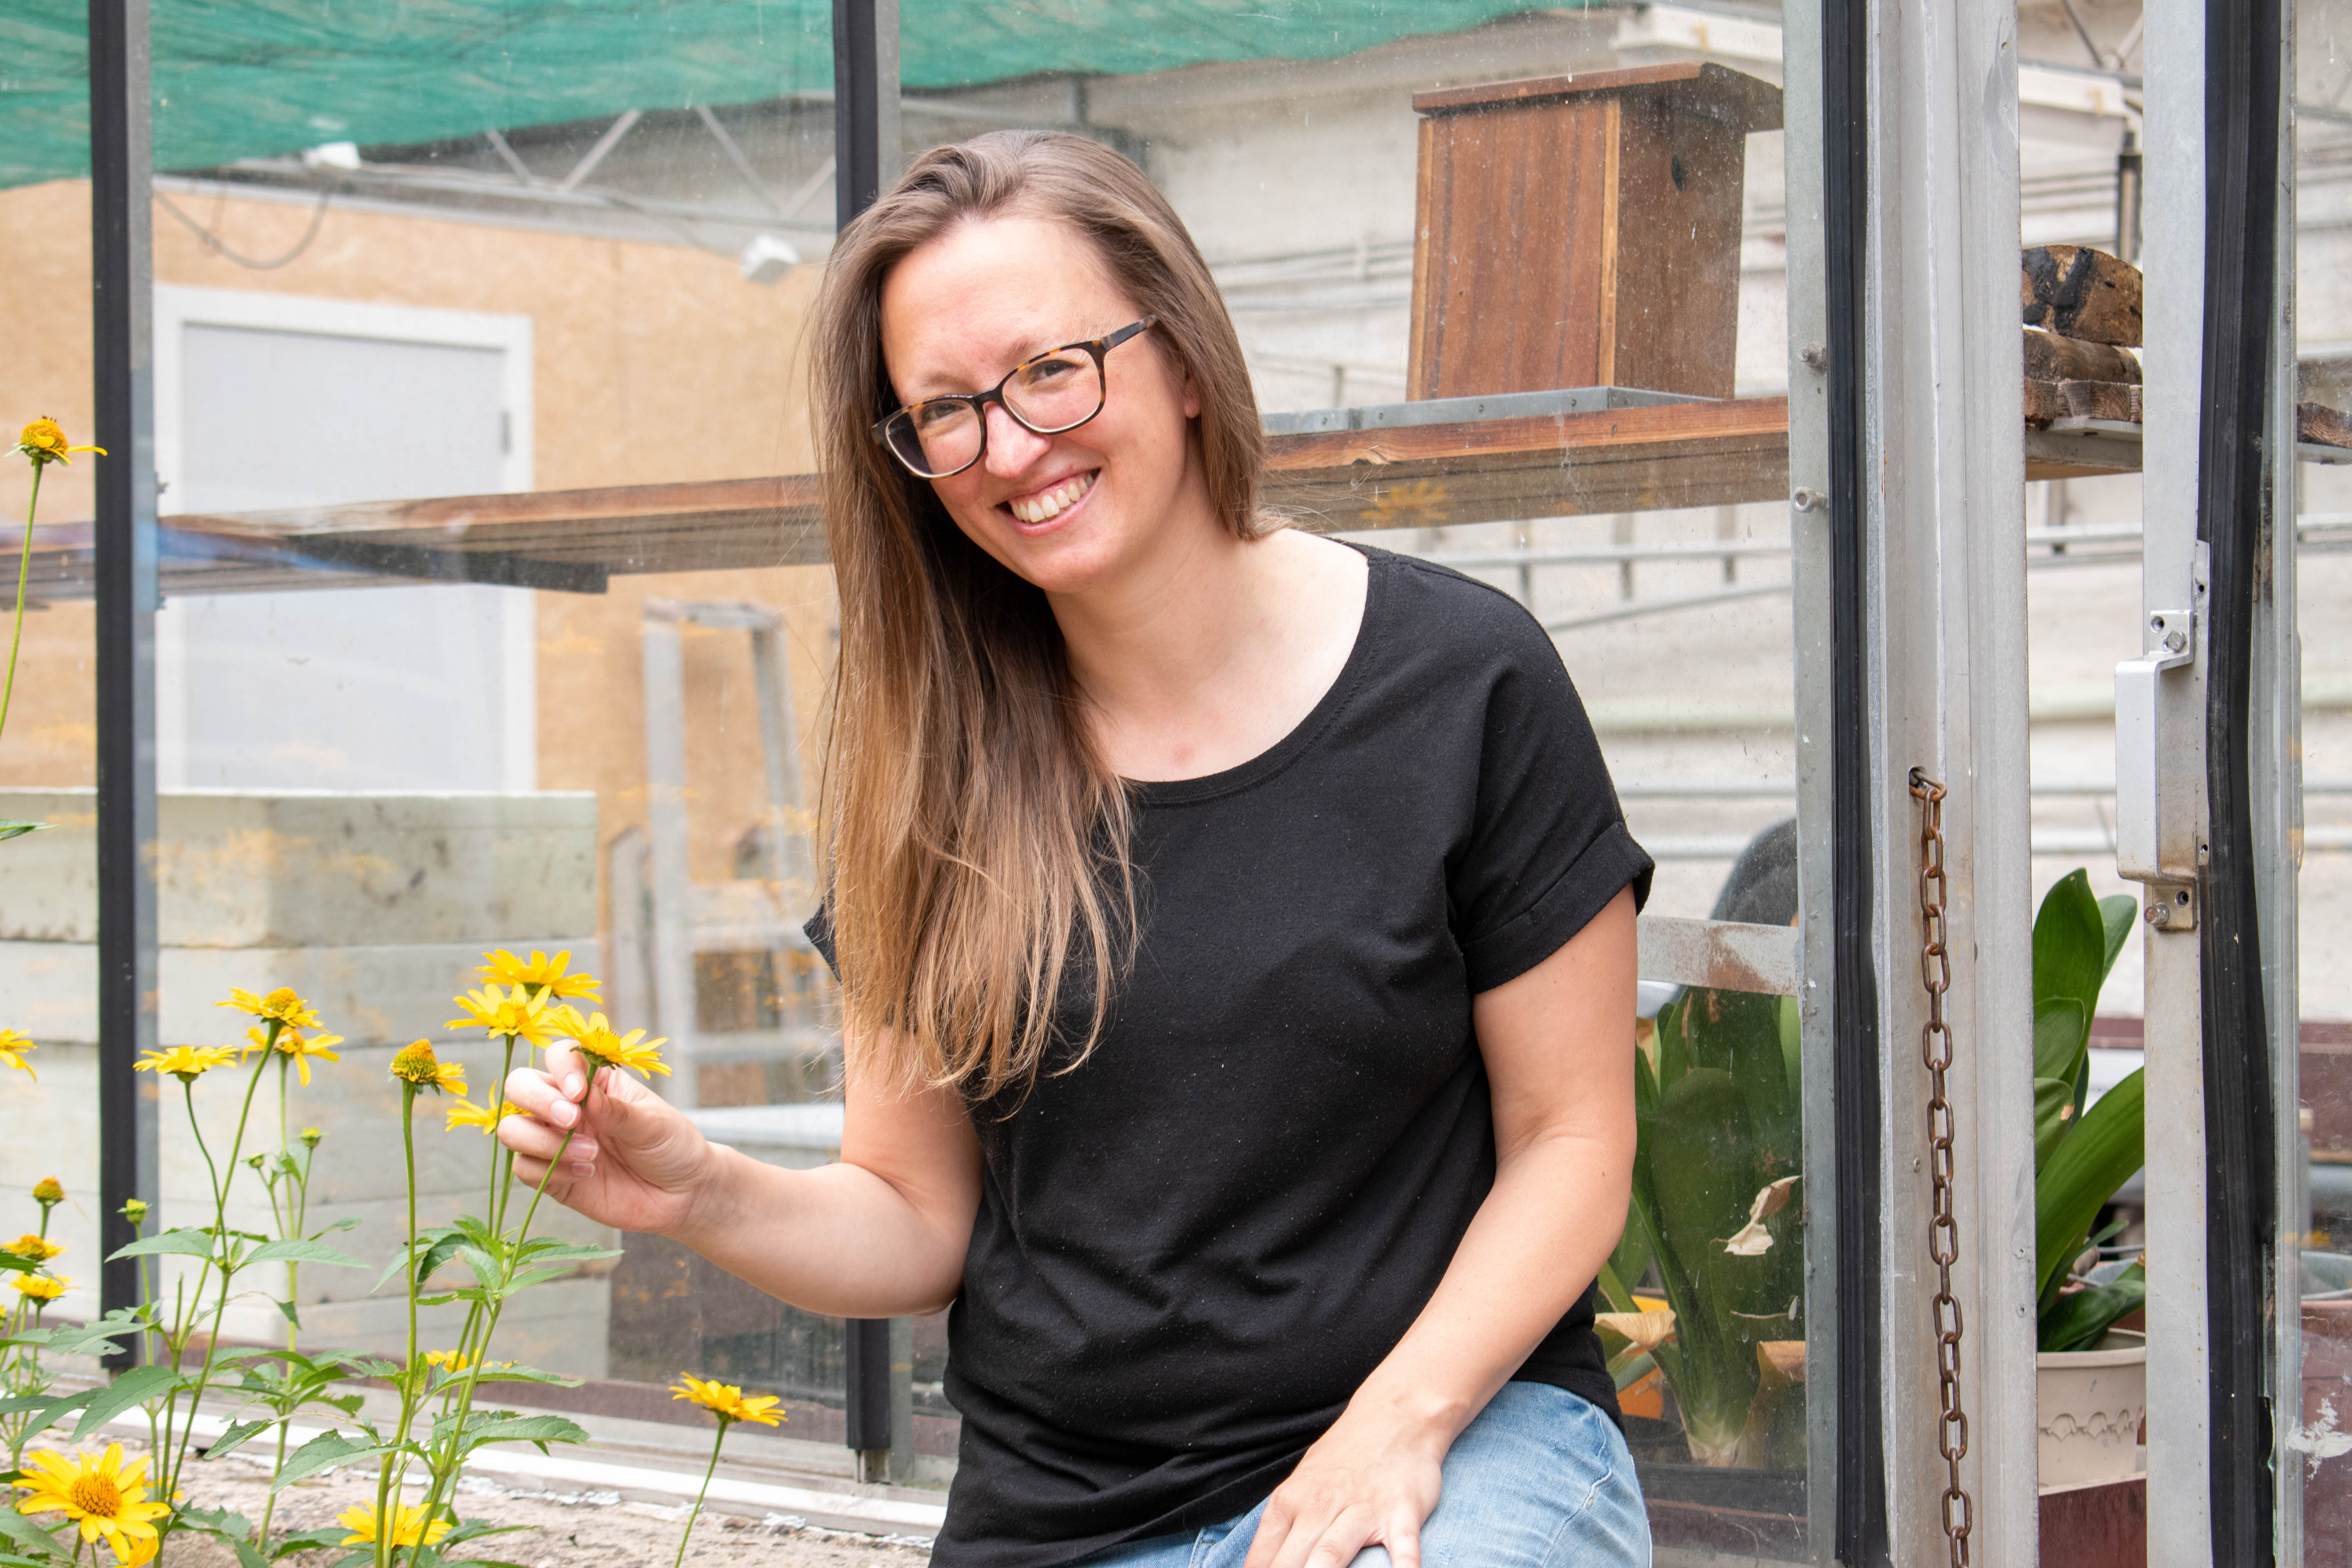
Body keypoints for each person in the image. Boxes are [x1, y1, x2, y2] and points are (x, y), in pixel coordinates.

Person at [499, 129, 1654, 1568]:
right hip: (1066, 1521)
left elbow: (1572, 1139)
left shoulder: (1463, 681)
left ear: (1183, 357)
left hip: (1453, 1443)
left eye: (1051, 369)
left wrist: (1393, 1427)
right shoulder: (933, 770)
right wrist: (702, 1194)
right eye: (946, 410)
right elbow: (915, 1217)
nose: (1010, 447)